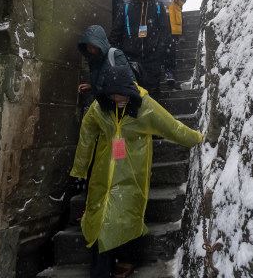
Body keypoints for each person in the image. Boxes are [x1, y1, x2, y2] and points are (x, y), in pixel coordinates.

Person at [70, 65, 202, 278]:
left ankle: (124, 259)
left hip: (132, 172)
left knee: (126, 216)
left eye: (120, 93)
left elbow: (170, 125)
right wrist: (80, 170)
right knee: (100, 218)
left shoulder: (145, 107)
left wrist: (195, 138)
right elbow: (86, 137)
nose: (117, 98)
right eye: (112, 94)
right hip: (102, 173)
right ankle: (104, 268)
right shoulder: (99, 108)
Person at [110, 0, 172, 98]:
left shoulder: (158, 7)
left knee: (152, 92)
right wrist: (117, 52)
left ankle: (151, 116)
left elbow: (165, 31)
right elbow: (116, 32)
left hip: (153, 56)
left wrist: (159, 51)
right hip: (131, 57)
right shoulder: (126, 8)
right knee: (133, 92)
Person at [77, 25, 136, 97]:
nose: (92, 50)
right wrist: (92, 86)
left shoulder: (115, 54)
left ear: (100, 44)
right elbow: (101, 82)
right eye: (89, 47)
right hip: (103, 102)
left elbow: (130, 82)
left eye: (94, 46)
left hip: (116, 102)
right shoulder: (93, 59)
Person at [159, 0, 184, 87]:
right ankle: (161, 70)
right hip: (158, 16)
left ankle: (170, 71)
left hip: (172, 16)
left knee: (170, 46)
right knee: (159, 45)